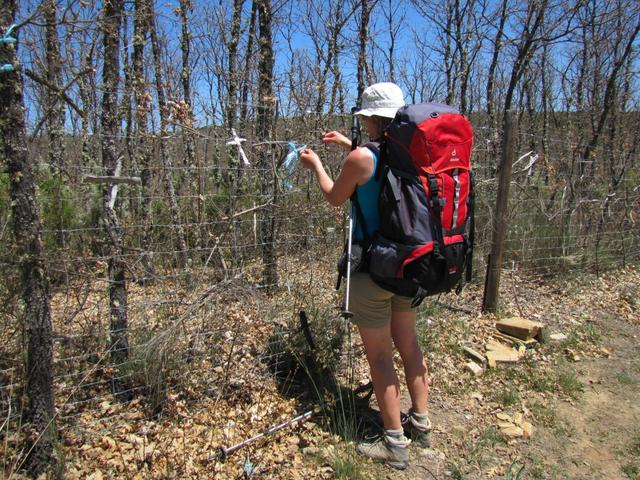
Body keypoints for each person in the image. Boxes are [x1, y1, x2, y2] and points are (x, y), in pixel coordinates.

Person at [299, 83, 432, 470]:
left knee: (379, 356)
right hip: (409, 265)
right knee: (408, 345)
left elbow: (335, 196)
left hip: (374, 269)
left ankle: (394, 444)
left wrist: (318, 166)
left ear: (371, 119)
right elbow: (379, 168)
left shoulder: (361, 158)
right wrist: (347, 146)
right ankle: (421, 425)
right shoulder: (410, 152)